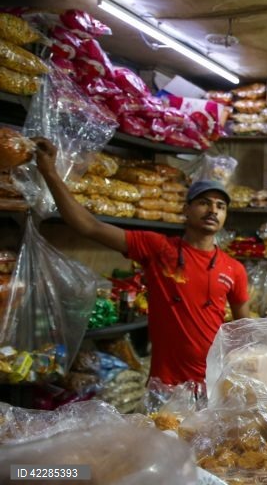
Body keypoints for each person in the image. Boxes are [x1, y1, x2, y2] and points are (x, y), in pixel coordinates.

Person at [34, 138, 250, 386]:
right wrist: (49, 172)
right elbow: (89, 226)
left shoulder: (234, 269)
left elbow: (246, 331)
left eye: (220, 206)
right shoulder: (158, 249)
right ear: (186, 210)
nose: (213, 210)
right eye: (204, 202)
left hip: (214, 384)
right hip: (166, 385)